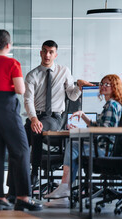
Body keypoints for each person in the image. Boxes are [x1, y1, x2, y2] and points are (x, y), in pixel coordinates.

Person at [0, 29, 42, 211]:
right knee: (21, 151)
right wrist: (9, 83)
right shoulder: (12, 63)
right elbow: (21, 90)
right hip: (7, 107)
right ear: (8, 45)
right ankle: (23, 197)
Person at [43, 74, 122, 206]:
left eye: (107, 84)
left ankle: (65, 187)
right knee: (74, 147)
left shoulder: (111, 104)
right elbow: (100, 127)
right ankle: (64, 194)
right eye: (102, 83)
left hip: (103, 150)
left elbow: (104, 131)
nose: (102, 86)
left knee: (74, 145)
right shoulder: (114, 104)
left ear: (114, 87)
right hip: (105, 148)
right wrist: (84, 116)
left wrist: (80, 131)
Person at [24, 40, 94, 187]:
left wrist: (79, 87)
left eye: (51, 52)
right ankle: (14, 188)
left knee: (37, 129)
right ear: (40, 53)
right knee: (18, 142)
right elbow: (28, 100)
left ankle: (34, 172)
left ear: (55, 54)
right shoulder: (32, 75)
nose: (47, 55)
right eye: (45, 51)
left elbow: (72, 96)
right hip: (35, 116)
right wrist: (34, 118)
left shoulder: (64, 71)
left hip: (54, 117)